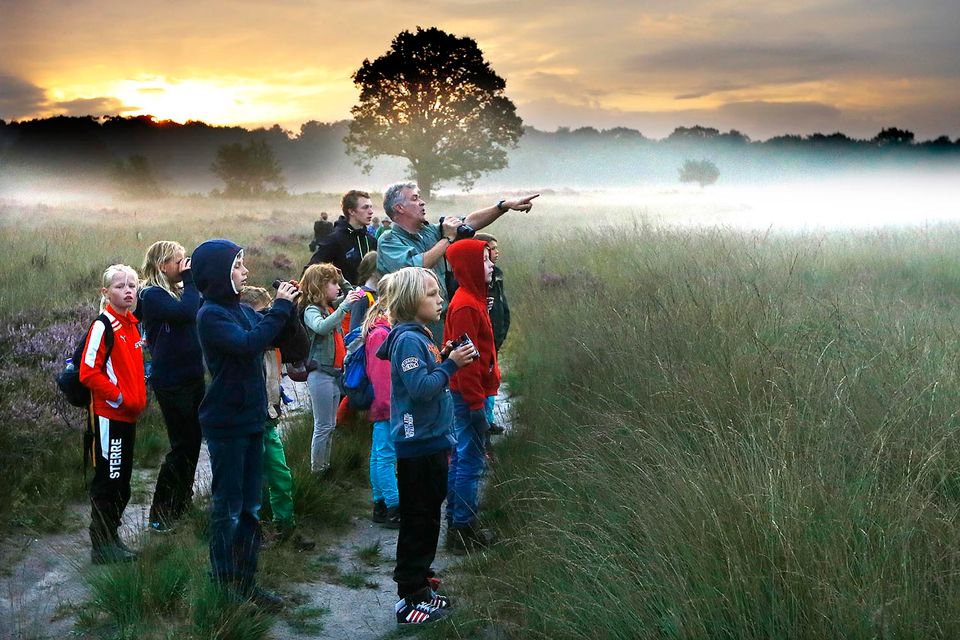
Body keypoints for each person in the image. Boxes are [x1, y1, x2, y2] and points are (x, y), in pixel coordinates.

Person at [191, 238, 300, 611]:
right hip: (227, 423)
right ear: (219, 273)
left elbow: (290, 344)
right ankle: (224, 585)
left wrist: (291, 309)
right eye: (238, 265)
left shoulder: (242, 310)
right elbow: (250, 344)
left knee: (251, 508)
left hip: (252, 419)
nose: (245, 271)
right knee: (229, 508)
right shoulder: (212, 315)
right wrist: (279, 310)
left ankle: (246, 582)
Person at [375, 267, 477, 624]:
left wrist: (443, 357)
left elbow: (422, 375)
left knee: (428, 517)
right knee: (419, 520)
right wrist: (450, 365)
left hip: (431, 440)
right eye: (432, 293)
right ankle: (410, 597)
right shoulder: (407, 339)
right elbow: (420, 388)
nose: (440, 299)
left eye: (438, 293)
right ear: (409, 300)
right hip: (417, 442)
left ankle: (421, 582)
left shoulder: (420, 335)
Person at [376, 182, 537, 344]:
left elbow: (469, 222)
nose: (422, 202)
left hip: (441, 318)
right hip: (412, 325)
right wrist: (448, 239)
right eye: (415, 198)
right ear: (399, 208)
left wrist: (503, 206)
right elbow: (416, 268)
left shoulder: (429, 232)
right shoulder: (389, 240)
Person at [238, 286, 315, 552]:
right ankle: (252, 533)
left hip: (269, 416)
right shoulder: (248, 339)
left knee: (281, 475)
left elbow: (298, 349)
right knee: (252, 480)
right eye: (264, 314)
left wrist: (290, 311)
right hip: (250, 418)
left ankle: (286, 527)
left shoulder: (272, 340)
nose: (270, 320)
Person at [80, 264, 148, 564]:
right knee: (109, 481)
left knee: (122, 483)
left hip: (128, 417)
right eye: (120, 286)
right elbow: (87, 372)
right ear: (105, 292)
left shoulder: (132, 324)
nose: (128, 290)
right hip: (109, 417)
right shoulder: (103, 325)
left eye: (132, 285)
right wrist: (119, 397)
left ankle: (111, 538)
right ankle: (102, 546)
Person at [139, 241, 204, 534]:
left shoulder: (177, 292)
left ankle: (181, 502)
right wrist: (191, 280)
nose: (185, 265)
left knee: (192, 443)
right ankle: (161, 512)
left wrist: (191, 282)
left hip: (191, 376)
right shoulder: (151, 295)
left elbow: (197, 308)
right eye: (179, 261)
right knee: (181, 446)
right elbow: (187, 313)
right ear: (162, 265)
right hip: (171, 381)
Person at [442, 239, 500, 553]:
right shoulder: (465, 305)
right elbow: (466, 361)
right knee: (470, 460)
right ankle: (462, 529)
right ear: (470, 267)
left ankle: (457, 520)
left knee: (463, 457)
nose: (492, 266)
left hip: (469, 395)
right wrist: (477, 403)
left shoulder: (474, 300)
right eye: (486, 261)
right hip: (468, 397)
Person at [300, 262, 365, 473]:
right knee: (322, 426)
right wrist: (344, 305)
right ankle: (318, 470)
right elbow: (321, 327)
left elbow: (358, 295)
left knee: (330, 426)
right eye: (333, 283)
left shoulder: (329, 307)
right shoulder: (311, 310)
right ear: (320, 286)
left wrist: (343, 279)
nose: (338, 288)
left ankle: (325, 467)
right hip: (320, 374)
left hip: (334, 375)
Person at [362, 274, 399, 528]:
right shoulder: (381, 332)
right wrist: (389, 407)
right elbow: (381, 375)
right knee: (385, 456)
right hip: (385, 404)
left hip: (381, 404)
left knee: (379, 454)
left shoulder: (379, 327)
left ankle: (380, 503)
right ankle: (394, 506)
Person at [473, 233, 510, 434]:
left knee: (492, 379)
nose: (497, 252)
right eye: (493, 248)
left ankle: (489, 420)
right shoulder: (478, 278)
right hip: (485, 340)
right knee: (484, 381)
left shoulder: (498, 273)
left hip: (496, 335)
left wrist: (502, 332)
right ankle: (484, 423)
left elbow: (502, 306)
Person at [306, 190, 378, 285]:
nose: (370, 212)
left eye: (370, 207)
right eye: (365, 208)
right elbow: (310, 271)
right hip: (346, 298)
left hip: (370, 298)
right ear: (351, 211)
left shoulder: (371, 240)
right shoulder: (335, 240)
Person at [348, 251, 381, 332]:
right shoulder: (361, 297)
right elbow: (354, 332)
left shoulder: (379, 295)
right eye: (382, 266)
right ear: (373, 271)